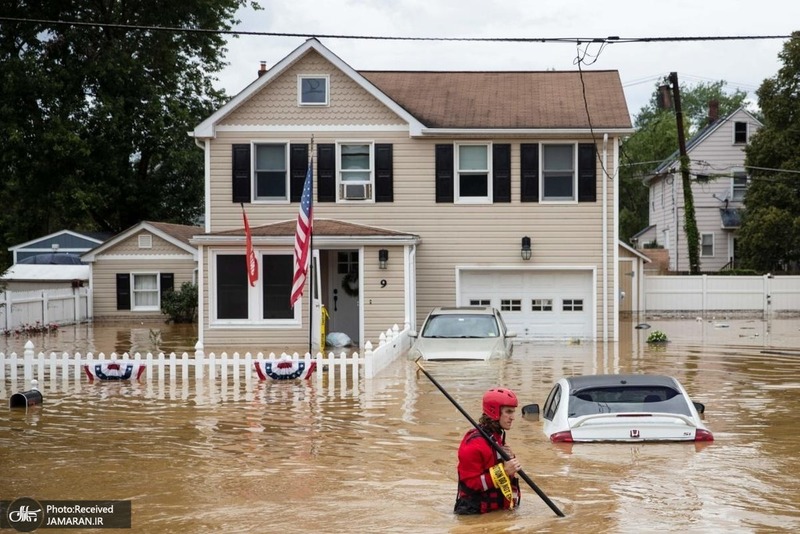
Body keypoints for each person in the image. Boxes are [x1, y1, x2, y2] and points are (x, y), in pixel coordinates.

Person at [454, 387, 522, 514]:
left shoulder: (496, 438)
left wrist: (510, 460)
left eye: (513, 412)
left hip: (496, 512)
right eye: (508, 412)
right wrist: (504, 471)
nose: (513, 417)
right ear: (494, 411)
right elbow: (470, 484)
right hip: (473, 514)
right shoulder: (473, 444)